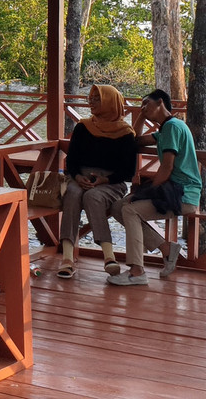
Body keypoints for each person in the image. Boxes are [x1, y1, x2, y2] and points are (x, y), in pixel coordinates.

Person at [108, 89, 202, 286]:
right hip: (171, 190)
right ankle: (166, 249)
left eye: (146, 104)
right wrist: (141, 115)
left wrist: (143, 193)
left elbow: (166, 168)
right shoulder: (164, 131)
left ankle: (136, 271)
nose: (143, 108)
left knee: (130, 209)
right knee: (117, 207)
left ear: (161, 102)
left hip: (184, 194)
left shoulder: (173, 128)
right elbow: (134, 140)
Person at [56, 84, 138, 279]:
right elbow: (72, 160)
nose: (91, 103)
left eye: (97, 99)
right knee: (73, 193)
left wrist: (104, 180)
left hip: (111, 182)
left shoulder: (126, 133)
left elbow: (128, 171)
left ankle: (109, 257)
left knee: (93, 197)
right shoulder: (84, 127)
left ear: (110, 102)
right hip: (81, 176)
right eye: (90, 99)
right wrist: (77, 176)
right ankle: (67, 258)